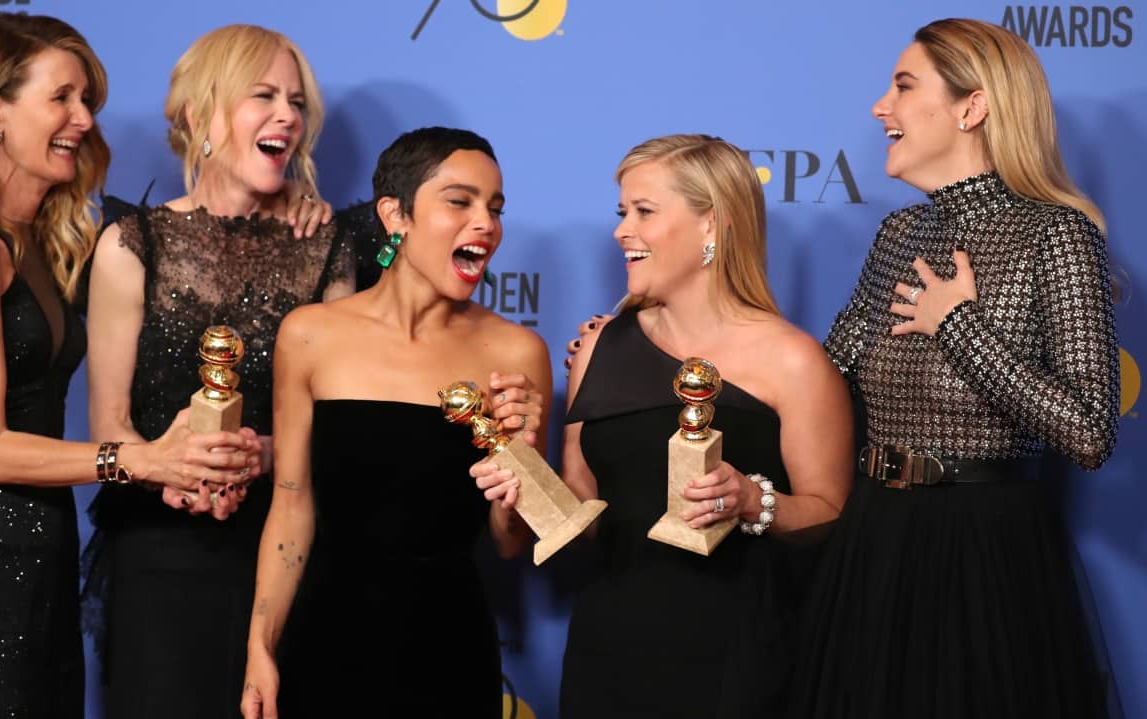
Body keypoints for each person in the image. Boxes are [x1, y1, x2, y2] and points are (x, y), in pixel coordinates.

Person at [0, 15, 257, 718]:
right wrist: (142, 462)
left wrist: (286, 202)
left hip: (38, 567)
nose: (83, 119)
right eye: (63, 97)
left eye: (88, 102)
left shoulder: (44, 245)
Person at [788, 18, 1121, 718]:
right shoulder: (897, 234)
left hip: (982, 554)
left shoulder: (1054, 233)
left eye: (903, 86)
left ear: (972, 107)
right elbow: (820, 376)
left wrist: (958, 326)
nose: (880, 106)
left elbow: (1090, 433)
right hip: (874, 543)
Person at [524, 134, 853, 718]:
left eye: (644, 211)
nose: (622, 230)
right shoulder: (598, 344)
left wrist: (753, 501)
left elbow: (830, 514)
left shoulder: (793, 360)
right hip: (609, 650)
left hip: (735, 652)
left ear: (713, 225)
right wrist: (522, 483)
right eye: (622, 212)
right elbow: (583, 508)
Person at [82, 24, 354, 719]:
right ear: (202, 114)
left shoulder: (329, 248)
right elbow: (109, 429)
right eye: (262, 95)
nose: (287, 115)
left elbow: (347, 422)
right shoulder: (129, 244)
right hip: (160, 559)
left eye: (296, 101)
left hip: (283, 553)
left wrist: (269, 454)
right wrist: (165, 468)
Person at [239, 127, 550, 718]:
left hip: (449, 650)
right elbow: (292, 506)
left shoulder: (515, 354)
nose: (485, 223)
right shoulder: (311, 335)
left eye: (495, 207)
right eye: (460, 201)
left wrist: (519, 464)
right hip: (325, 640)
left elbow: (511, 542)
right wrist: (260, 645)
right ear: (395, 215)